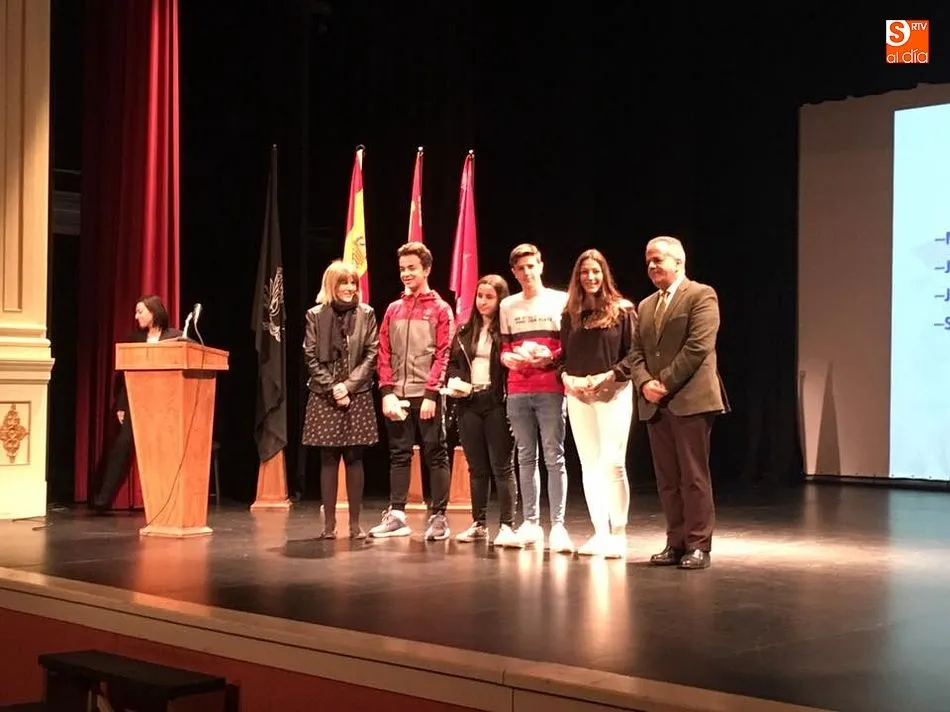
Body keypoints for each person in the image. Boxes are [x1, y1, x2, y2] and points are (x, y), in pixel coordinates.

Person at [630, 236, 729, 570]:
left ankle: (698, 544)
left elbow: (698, 346)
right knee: (668, 479)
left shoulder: (701, 295)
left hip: (690, 399)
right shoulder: (645, 306)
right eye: (648, 261)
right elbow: (636, 353)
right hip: (656, 404)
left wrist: (664, 382)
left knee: (693, 476)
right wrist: (644, 383)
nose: (652, 265)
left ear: (679, 261)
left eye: (658, 259)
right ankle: (676, 542)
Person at [369, 242, 455, 541]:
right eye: (402, 269)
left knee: (436, 454)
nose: (406, 273)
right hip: (398, 395)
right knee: (399, 454)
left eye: (412, 268)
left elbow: (444, 353)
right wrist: (386, 391)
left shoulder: (441, 309)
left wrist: (432, 393)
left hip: (427, 394)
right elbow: (383, 351)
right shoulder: (393, 309)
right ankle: (397, 516)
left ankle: (439, 517)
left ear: (426, 269)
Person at [559, 249, 637, 559]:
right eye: (584, 272)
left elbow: (634, 354)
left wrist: (610, 376)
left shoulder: (622, 310)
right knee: (589, 464)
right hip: (579, 396)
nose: (590, 277)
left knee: (613, 462)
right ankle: (600, 532)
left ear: (604, 274)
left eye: (595, 271)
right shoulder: (571, 314)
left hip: (612, 394)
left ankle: (619, 533)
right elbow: (563, 357)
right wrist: (567, 378)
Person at [498, 243, 574, 553]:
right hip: (518, 388)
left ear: (541, 266)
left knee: (554, 456)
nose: (527, 272)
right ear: (514, 272)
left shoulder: (560, 300)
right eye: (521, 268)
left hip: (550, 387)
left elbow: (569, 345)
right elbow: (505, 347)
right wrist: (507, 358)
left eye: (532, 266)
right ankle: (531, 522)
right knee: (525, 456)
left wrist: (551, 356)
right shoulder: (508, 306)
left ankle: (558, 525)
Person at [302, 260, 380, 539]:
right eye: (343, 283)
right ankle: (329, 525)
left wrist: (347, 387)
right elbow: (310, 356)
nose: (349, 288)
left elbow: (372, 354)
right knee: (328, 458)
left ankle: (355, 524)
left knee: (354, 457)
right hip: (325, 395)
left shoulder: (366, 314)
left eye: (353, 283)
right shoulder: (315, 315)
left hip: (357, 393)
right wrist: (333, 388)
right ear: (331, 285)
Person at [444, 275, 519, 547]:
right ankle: (479, 523)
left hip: (496, 402)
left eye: (489, 297)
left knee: (502, 466)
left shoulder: (506, 332)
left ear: (500, 299)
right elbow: (452, 364)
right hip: (468, 401)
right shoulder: (465, 331)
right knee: (477, 468)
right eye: (480, 296)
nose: (483, 302)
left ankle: (507, 525)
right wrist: (454, 381)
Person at [91, 295, 182, 511]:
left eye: (140, 311)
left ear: (153, 312)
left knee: (164, 449)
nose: (136, 316)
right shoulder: (135, 339)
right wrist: (121, 405)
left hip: (166, 403)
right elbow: (125, 375)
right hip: (137, 402)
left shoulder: (177, 337)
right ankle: (103, 499)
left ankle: (167, 500)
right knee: (122, 447)